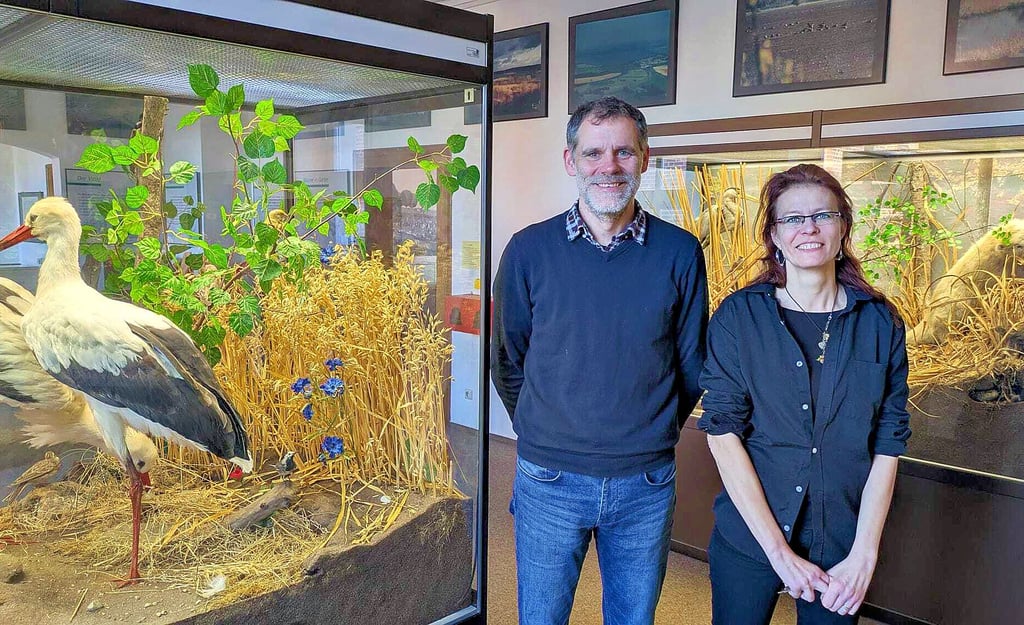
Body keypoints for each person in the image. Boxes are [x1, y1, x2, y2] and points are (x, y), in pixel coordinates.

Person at [491, 97, 708, 625]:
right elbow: (507, 358)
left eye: (623, 152)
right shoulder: (528, 250)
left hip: (645, 483)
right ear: (571, 161)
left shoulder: (680, 252)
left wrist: (650, 430)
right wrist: (545, 428)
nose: (609, 166)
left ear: (644, 158)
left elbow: (690, 364)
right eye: (593, 153)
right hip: (549, 480)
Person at [698, 163, 911, 624]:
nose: (809, 228)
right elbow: (722, 432)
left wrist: (864, 555)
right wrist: (779, 553)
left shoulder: (881, 323)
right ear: (774, 234)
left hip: (841, 548)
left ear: (843, 226)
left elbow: (888, 442)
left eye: (823, 215)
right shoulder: (738, 318)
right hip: (751, 537)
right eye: (793, 218)